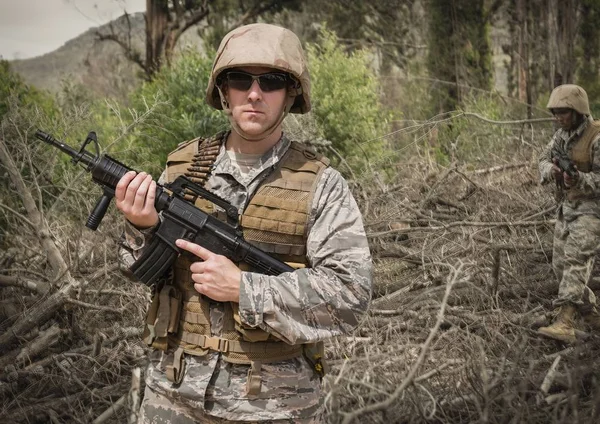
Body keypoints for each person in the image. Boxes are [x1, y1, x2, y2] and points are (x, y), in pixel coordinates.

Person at [115, 23, 373, 423]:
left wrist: (244, 288)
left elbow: (349, 296)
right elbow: (137, 269)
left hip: (273, 405)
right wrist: (142, 226)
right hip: (172, 394)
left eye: (271, 81)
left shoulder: (321, 185)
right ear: (223, 91)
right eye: (239, 79)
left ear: (290, 94)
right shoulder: (185, 167)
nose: (254, 94)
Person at [537, 84, 600, 344]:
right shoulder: (562, 136)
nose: (558, 117)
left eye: (563, 112)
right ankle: (592, 315)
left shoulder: (596, 137)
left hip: (592, 211)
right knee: (561, 267)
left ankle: (565, 322)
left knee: (575, 262)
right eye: (555, 112)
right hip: (567, 208)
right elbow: (542, 158)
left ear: (577, 111)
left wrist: (578, 180)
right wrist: (551, 171)